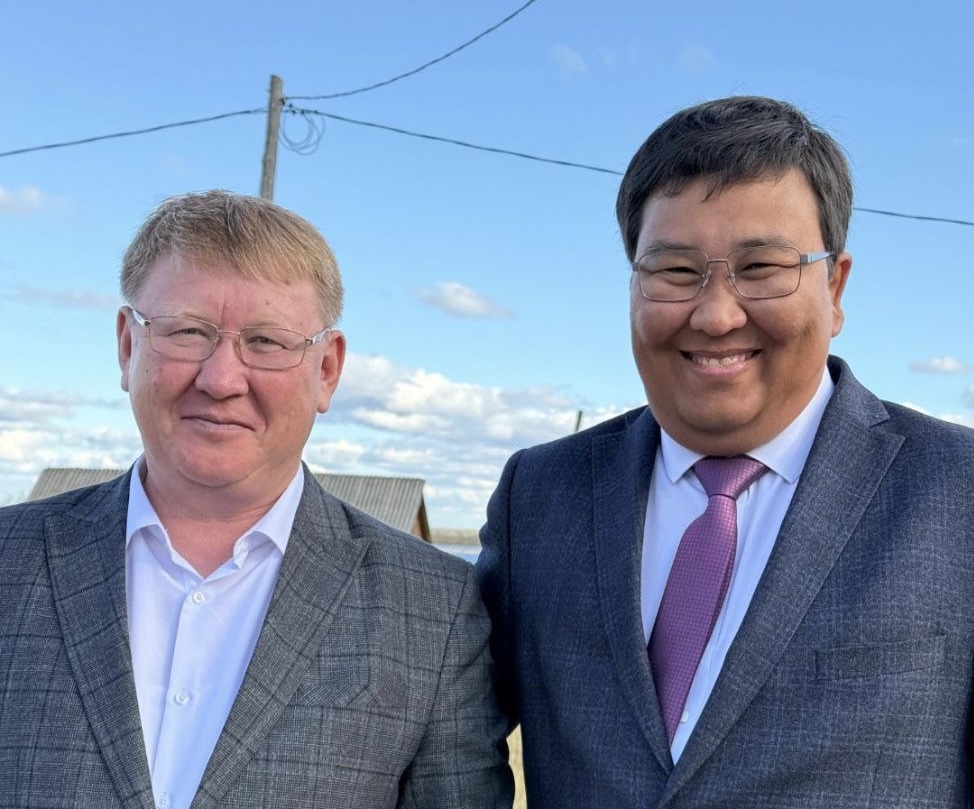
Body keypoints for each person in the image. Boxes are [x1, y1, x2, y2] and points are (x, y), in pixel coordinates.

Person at [476, 96, 973, 807]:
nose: (715, 314)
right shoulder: (541, 495)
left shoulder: (958, 491)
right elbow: (439, 729)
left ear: (834, 287)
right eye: (676, 272)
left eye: (761, 266)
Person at [0, 190, 513, 808]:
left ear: (327, 370)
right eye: (187, 331)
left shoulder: (434, 608)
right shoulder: (9, 559)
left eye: (267, 341)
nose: (220, 379)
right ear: (128, 346)